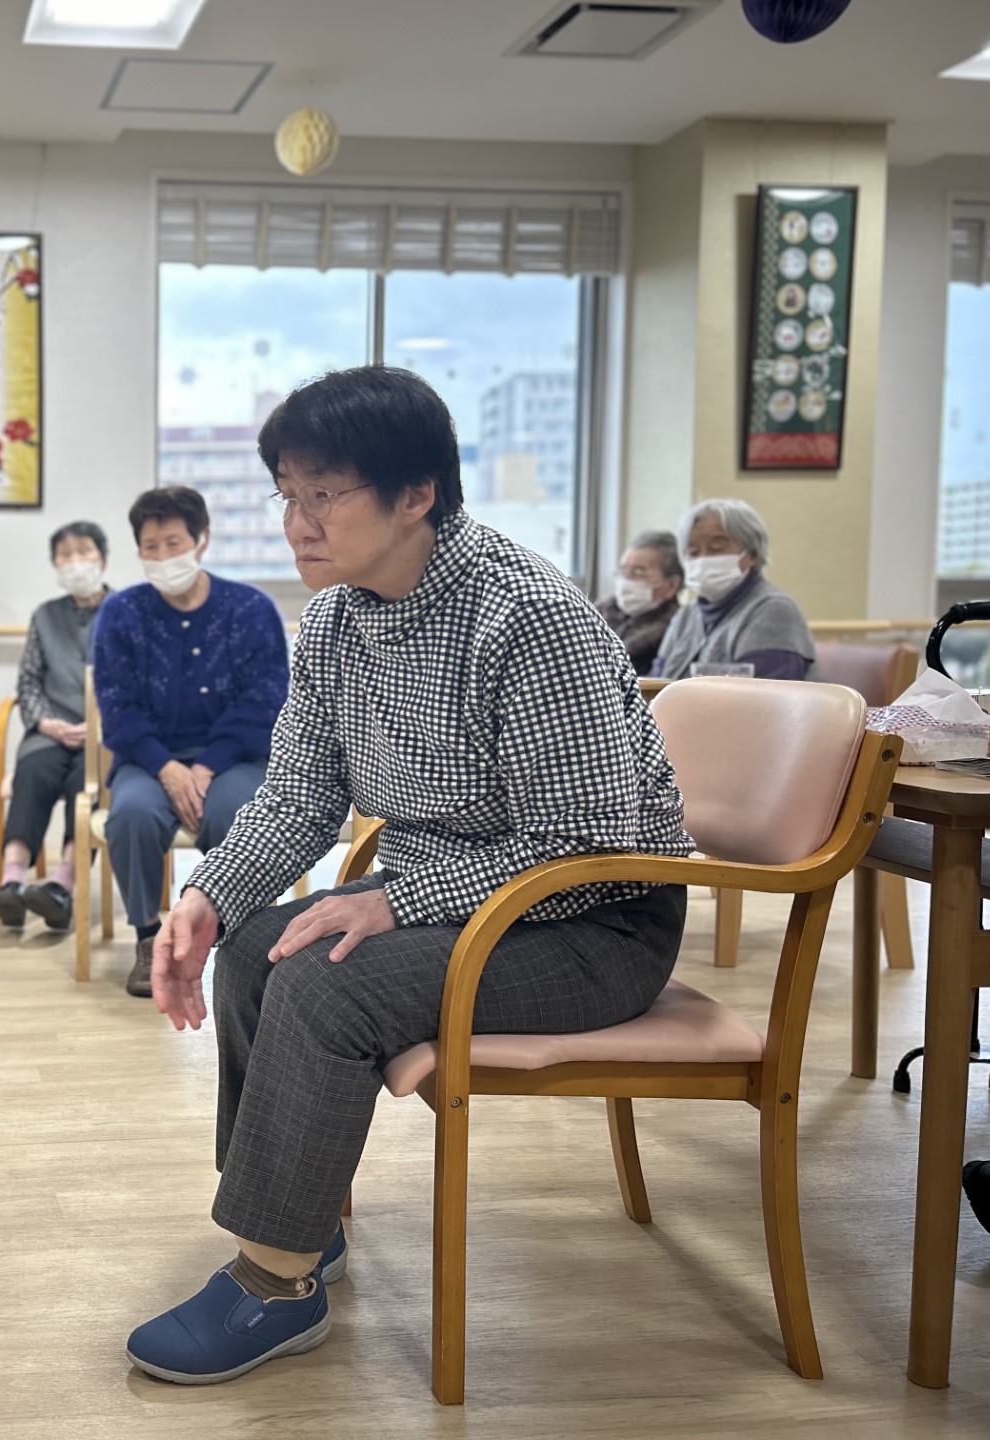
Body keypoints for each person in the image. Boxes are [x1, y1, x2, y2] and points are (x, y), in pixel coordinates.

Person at [124, 367, 692, 1385]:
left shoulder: (526, 615)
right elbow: (300, 796)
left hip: (590, 924)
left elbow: (587, 840)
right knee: (252, 949)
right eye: (287, 496)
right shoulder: (337, 619)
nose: (297, 524)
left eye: (323, 495)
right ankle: (294, 1223)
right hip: (454, 907)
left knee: (324, 982)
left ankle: (273, 1283)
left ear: (417, 493)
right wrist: (210, 896)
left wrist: (397, 897)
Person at [88, 487, 288, 999]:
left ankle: (236, 937)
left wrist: (205, 767)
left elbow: (264, 701)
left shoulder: (251, 609)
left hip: (234, 757)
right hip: (148, 758)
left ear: (202, 540)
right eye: (150, 547)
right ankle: (146, 936)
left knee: (236, 814)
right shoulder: (120, 613)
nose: (162, 556)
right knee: (131, 814)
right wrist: (168, 768)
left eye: (173, 543)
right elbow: (118, 707)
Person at [0, 521, 110, 933]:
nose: (75, 562)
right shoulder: (44, 616)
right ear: (55, 563)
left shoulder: (125, 611)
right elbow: (28, 682)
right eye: (65, 554)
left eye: (84, 551)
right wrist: (48, 723)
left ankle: (61, 886)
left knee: (87, 784)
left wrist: (99, 725)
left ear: (103, 559)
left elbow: (138, 682)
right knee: (33, 772)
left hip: (104, 735)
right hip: (49, 731)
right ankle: (11, 882)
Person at [652, 499, 814, 681]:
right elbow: (655, 682)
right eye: (693, 553)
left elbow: (764, 693)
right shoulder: (687, 615)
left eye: (716, 549)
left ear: (752, 554)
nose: (703, 559)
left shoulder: (774, 610)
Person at [596, 530, 683, 676]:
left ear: (671, 585)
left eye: (638, 573)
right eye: (623, 572)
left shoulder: (677, 628)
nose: (626, 581)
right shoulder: (599, 612)